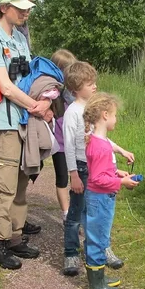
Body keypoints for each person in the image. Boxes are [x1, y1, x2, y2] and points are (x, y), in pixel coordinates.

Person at [0, 0, 50, 270]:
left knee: (22, 181)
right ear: (4, 7)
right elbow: (5, 86)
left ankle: (15, 236)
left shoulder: (19, 37)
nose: (25, 13)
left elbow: (31, 75)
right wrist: (35, 106)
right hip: (6, 122)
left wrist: (45, 100)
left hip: (25, 121)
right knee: (4, 184)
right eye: (20, 8)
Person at [62, 62, 134, 275]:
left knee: (98, 213)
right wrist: (73, 174)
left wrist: (120, 151)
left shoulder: (93, 110)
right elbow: (68, 146)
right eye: (89, 83)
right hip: (82, 169)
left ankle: (102, 248)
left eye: (94, 83)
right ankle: (71, 253)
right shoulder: (73, 113)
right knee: (76, 212)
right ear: (76, 87)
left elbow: (101, 139)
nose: (94, 86)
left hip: (96, 168)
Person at [82, 93, 139, 289]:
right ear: (105, 115)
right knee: (97, 239)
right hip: (100, 199)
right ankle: (96, 285)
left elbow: (103, 171)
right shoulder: (99, 146)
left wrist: (117, 173)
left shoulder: (102, 141)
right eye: (115, 115)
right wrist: (121, 181)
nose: (116, 119)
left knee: (101, 237)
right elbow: (97, 179)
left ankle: (100, 277)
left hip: (103, 197)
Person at [50, 49, 77, 222]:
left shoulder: (73, 92)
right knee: (62, 178)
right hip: (59, 143)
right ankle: (66, 214)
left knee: (77, 176)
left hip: (75, 143)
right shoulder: (50, 91)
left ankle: (76, 209)